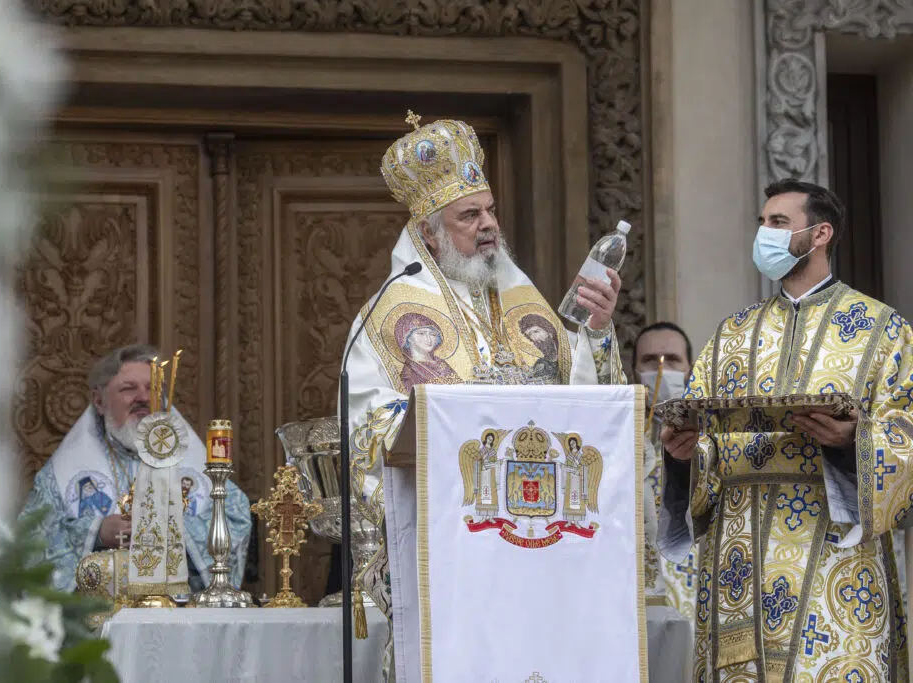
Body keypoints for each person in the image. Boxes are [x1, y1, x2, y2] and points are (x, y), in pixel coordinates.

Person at [343, 112, 625, 681]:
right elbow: (366, 431)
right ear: (429, 231)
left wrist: (595, 332)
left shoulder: (530, 306)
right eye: (469, 215)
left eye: (490, 209)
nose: (489, 224)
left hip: (546, 545)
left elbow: (590, 408)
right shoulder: (386, 317)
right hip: (454, 550)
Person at [659, 179, 913, 680]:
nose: (765, 234)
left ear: (820, 234)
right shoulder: (732, 335)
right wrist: (681, 453)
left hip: (834, 564)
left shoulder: (883, 332)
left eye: (778, 223)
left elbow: (905, 439)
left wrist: (850, 442)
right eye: (762, 223)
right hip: (740, 563)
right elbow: (701, 438)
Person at [19, 343, 252, 593]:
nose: (143, 397)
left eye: (152, 388)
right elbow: (32, 540)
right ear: (99, 401)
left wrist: (172, 531)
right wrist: (96, 532)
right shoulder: (63, 473)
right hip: (97, 617)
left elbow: (236, 517)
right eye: (128, 389)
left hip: (180, 610)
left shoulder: (193, 461)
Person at [633, 321, 700, 624]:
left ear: (690, 369)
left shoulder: (711, 431)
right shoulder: (618, 434)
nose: (661, 367)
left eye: (672, 360)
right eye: (649, 361)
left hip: (695, 581)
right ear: (634, 370)